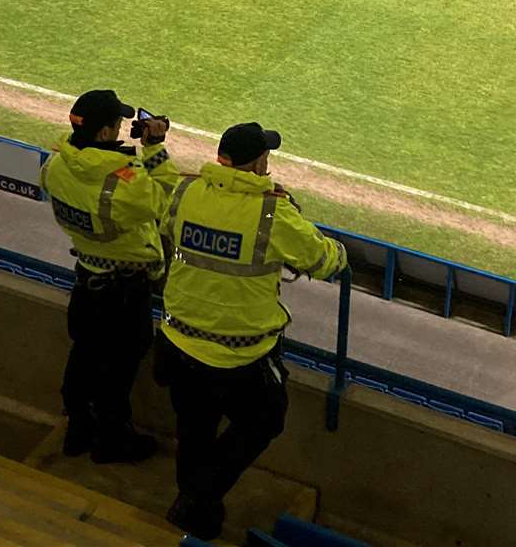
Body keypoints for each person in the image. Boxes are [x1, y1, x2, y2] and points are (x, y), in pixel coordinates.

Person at [157, 122, 348, 540]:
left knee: (193, 429)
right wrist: (320, 237)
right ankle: (196, 498)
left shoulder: (186, 192)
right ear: (260, 162)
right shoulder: (272, 212)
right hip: (240, 356)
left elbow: (169, 230)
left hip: (178, 341)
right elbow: (324, 260)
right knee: (264, 420)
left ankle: (198, 515)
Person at [41, 89, 182, 463]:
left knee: (84, 354)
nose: (122, 131)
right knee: (119, 368)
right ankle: (112, 440)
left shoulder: (53, 167)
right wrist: (154, 146)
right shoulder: (123, 184)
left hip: (87, 279)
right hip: (124, 289)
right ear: (104, 134)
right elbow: (166, 197)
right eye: (117, 126)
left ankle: (78, 428)